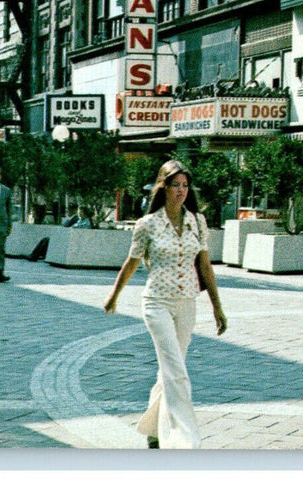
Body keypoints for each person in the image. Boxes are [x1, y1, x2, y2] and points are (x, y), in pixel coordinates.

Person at [103, 159, 227, 449]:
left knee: (170, 368)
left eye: (185, 185)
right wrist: (114, 295)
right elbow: (132, 262)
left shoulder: (198, 221)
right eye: (175, 185)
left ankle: (153, 429)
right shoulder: (147, 225)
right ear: (164, 187)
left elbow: (205, 266)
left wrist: (217, 306)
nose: (181, 191)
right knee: (177, 372)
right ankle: (186, 440)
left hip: (187, 304)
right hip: (157, 303)